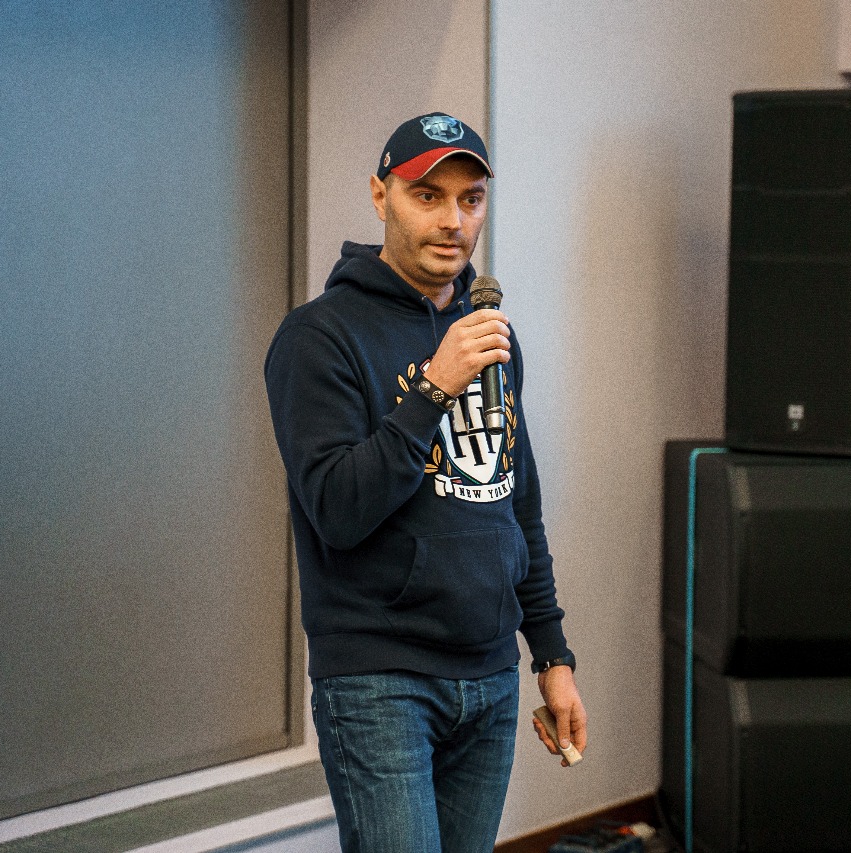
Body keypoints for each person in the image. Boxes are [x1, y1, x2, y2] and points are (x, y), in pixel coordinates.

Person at [264, 112, 587, 852]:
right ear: (381, 196)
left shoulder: (490, 335)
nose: (453, 221)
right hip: (381, 680)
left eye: (471, 199)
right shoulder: (318, 338)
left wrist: (552, 657)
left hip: (491, 677)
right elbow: (338, 509)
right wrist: (434, 388)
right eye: (427, 195)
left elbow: (518, 509)